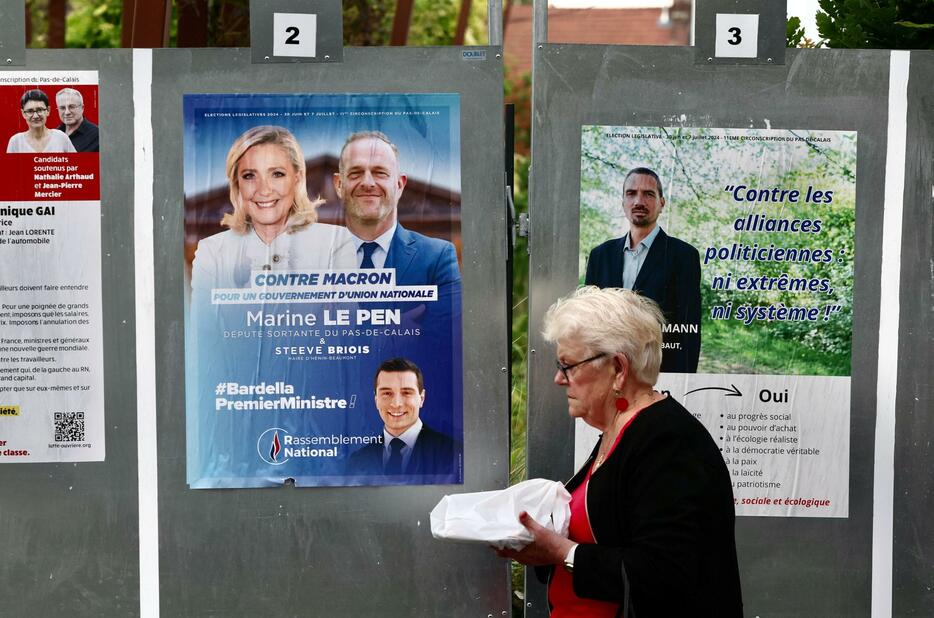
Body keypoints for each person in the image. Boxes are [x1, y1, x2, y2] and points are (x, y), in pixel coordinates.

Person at [495, 287, 742, 617]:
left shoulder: (667, 441)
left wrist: (561, 551)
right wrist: (539, 542)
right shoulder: (621, 430)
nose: (558, 378)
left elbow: (666, 573)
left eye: (568, 364)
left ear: (618, 368)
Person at [191, 125, 356, 290]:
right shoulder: (211, 251)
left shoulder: (336, 243)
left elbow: (343, 314)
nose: (264, 190)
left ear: (297, 179)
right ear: (237, 185)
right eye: (249, 176)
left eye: (277, 174)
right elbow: (204, 316)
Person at [331, 131, 461, 326]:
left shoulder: (437, 258)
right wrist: (398, 331)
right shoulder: (311, 259)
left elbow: (446, 342)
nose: (367, 183)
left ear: (399, 185)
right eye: (355, 173)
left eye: (380, 173)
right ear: (339, 184)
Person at [584, 167, 701, 373]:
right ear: (623, 203)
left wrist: (682, 382)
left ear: (661, 203)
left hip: (659, 374)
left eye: (648, 194)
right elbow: (590, 324)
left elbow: (688, 330)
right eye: (631, 193)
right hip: (608, 372)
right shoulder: (600, 256)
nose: (639, 201)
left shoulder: (684, 256)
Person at [348, 357, 460, 476]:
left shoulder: (453, 454)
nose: (396, 404)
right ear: (376, 400)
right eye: (387, 393)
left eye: (406, 393)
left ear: (421, 398)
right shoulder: (357, 461)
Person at [6, 89, 76, 154]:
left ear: (48, 110)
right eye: (30, 111)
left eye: (39, 110)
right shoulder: (16, 141)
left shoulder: (61, 137)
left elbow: (76, 164)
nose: (36, 116)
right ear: (23, 113)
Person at [54, 88, 99, 152]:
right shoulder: (54, 135)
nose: (67, 112)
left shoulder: (97, 135)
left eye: (72, 107)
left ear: (82, 108)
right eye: (62, 108)